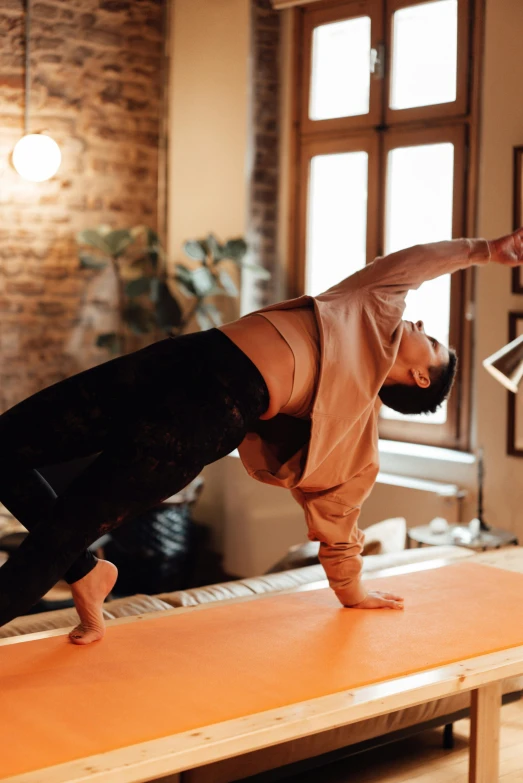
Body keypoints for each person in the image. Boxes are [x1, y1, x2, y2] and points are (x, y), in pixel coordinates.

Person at [0, 229, 521, 645]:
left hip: (206, 415)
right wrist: (488, 251)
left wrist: (355, 591)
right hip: (181, 357)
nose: (423, 323)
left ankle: (77, 565)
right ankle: (87, 572)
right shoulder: (369, 306)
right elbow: (417, 261)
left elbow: (339, 522)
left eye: (431, 341)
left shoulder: (354, 436)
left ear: (420, 378)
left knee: (64, 527)